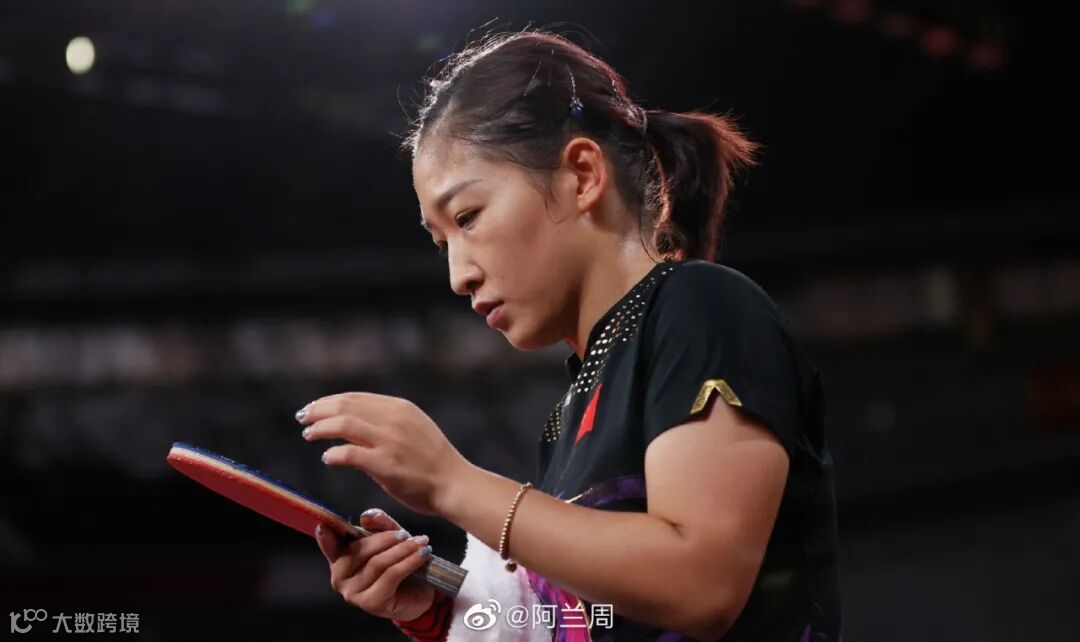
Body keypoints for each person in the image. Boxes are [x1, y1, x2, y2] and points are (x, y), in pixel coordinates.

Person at [296, 29, 842, 642]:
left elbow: (701, 585)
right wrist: (437, 605)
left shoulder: (703, 306)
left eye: (468, 217)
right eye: (442, 242)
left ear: (582, 175)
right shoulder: (568, 415)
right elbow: (599, 619)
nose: (458, 275)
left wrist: (452, 483)